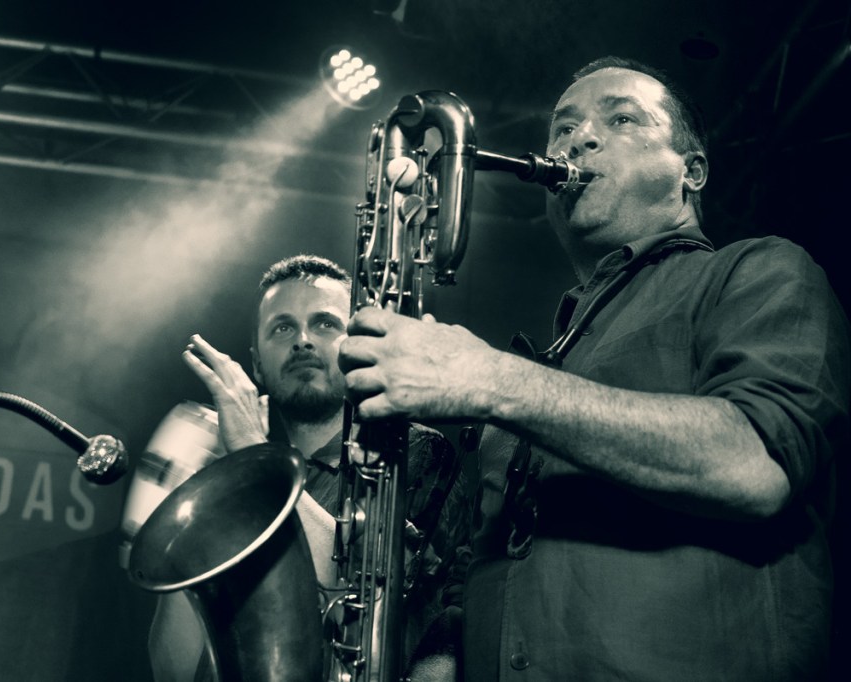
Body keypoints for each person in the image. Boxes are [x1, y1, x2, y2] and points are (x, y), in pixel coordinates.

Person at [338, 56, 850, 681]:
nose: (577, 140)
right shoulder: (548, 357)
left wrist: (490, 379)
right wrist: (441, 656)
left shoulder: (759, 270)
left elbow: (755, 463)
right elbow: (491, 566)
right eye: (563, 127)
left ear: (691, 172)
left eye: (621, 119)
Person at [146, 254, 461, 681]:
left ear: (358, 347)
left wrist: (254, 458)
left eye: (325, 323)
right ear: (257, 364)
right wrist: (207, 497)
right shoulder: (239, 475)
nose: (303, 341)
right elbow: (174, 672)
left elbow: (366, 596)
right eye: (282, 328)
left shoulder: (414, 451)